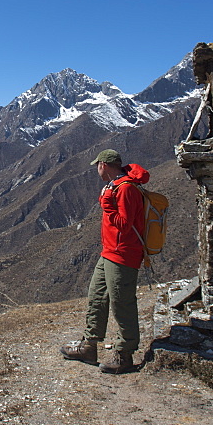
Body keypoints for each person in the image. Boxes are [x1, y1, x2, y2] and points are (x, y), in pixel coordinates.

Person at [60, 149, 149, 374]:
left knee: (122, 303)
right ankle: (89, 346)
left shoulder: (126, 188)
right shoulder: (116, 185)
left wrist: (107, 206)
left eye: (97, 165)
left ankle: (124, 354)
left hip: (123, 254)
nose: (96, 170)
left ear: (105, 165)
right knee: (97, 295)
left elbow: (124, 224)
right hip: (109, 251)